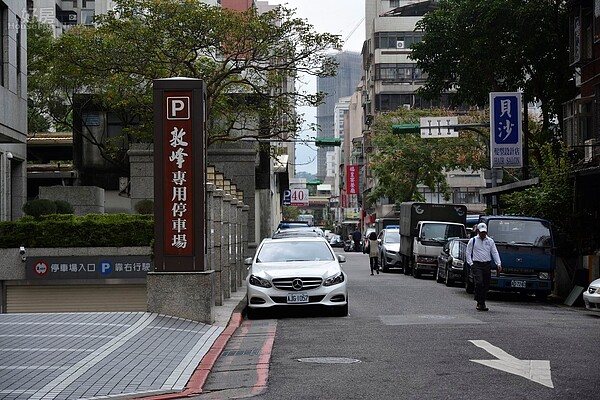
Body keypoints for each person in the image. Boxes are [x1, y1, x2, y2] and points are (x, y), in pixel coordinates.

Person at [465, 222, 502, 311]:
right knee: (479, 283)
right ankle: (479, 301)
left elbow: (494, 252)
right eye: (481, 232)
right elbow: (468, 253)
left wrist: (498, 263)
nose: (483, 234)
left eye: (484, 232)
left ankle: (483, 302)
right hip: (477, 264)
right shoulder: (473, 240)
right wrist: (471, 263)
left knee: (486, 284)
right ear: (478, 231)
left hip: (486, 264)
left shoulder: (490, 241)